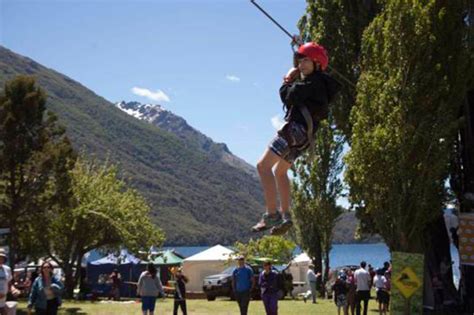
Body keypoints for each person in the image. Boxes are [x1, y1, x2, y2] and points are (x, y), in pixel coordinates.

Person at [251, 41, 341, 235]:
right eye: (300, 61)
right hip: (304, 139)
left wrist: (287, 80)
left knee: (263, 166)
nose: (301, 65)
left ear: (317, 64)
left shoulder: (311, 83)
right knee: (280, 172)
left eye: (307, 61)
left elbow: (288, 97)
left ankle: (272, 214)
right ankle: (285, 215)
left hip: (294, 131)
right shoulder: (322, 84)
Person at [0, 249, 12, 315]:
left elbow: (9, 282)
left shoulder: (7, 269)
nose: (0, 259)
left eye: (2, 257)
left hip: (3, 300)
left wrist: (12, 290)